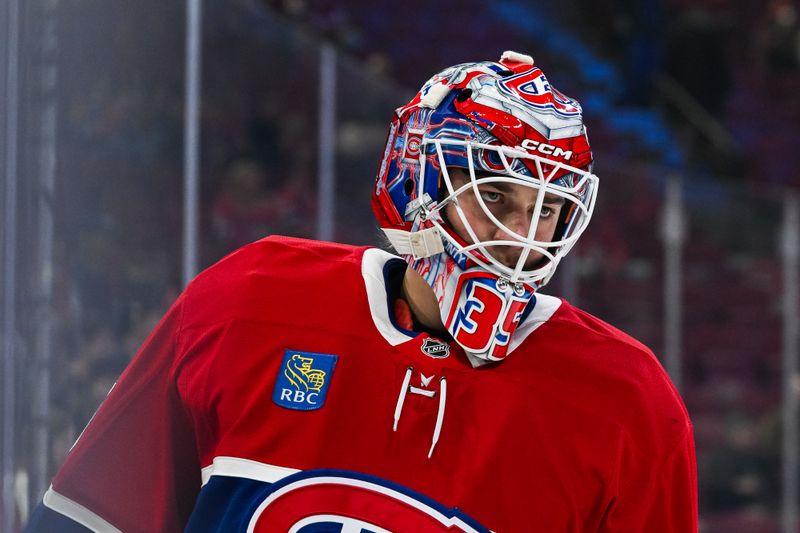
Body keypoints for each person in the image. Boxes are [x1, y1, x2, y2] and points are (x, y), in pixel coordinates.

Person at [26, 51, 697, 532]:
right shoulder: (252, 299)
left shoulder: (628, 404)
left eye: (544, 209)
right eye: (494, 196)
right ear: (419, 182)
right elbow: (95, 516)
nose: (520, 237)